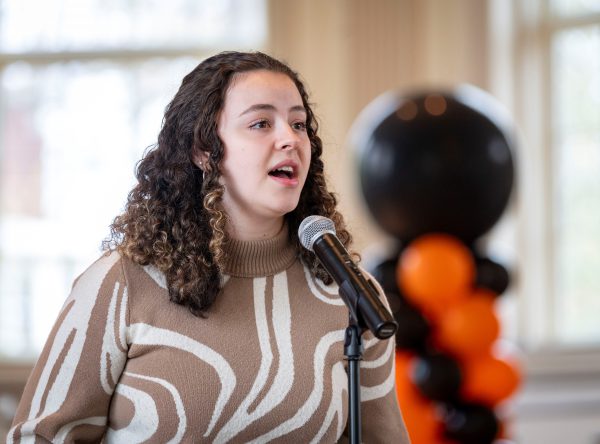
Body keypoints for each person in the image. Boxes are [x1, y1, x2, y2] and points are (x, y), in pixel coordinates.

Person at [8, 51, 409, 443]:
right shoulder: (122, 283)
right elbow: (39, 436)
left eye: (299, 124)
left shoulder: (349, 294)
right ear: (203, 151)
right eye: (261, 124)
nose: (290, 139)